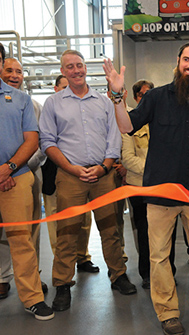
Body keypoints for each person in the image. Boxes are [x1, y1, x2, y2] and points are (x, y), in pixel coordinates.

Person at [103, 41, 189, 335]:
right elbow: (125, 126)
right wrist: (118, 96)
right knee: (159, 255)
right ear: (178, 61)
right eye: (187, 59)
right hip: (160, 192)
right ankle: (168, 312)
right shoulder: (156, 97)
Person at [39, 49, 136, 313]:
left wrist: (105, 166)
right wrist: (71, 168)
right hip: (70, 177)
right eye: (69, 67)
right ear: (63, 72)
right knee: (67, 232)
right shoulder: (53, 104)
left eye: (79, 65)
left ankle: (119, 274)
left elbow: (114, 135)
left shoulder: (104, 102)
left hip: (103, 176)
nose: (76, 70)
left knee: (111, 228)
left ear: (85, 68)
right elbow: (47, 141)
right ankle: (62, 283)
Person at [0, 43, 54, 320]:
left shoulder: (19, 100)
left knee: (21, 240)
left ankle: (33, 297)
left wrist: (8, 169)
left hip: (16, 178)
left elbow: (32, 140)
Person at [41, 75, 98, 274]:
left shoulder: (85, 110)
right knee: (61, 224)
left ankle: (82, 257)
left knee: (83, 221)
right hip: (55, 174)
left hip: (83, 173)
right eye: (65, 87)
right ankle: (63, 267)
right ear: (57, 89)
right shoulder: (51, 108)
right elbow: (46, 142)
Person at [121, 79, 154, 289]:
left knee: (165, 231)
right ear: (135, 98)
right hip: (138, 186)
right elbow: (128, 159)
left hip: (161, 187)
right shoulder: (128, 123)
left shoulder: (160, 119)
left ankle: (168, 270)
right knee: (144, 231)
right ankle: (147, 274)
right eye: (142, 94)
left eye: (150, 93)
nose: (146, 98)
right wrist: (156, 168)